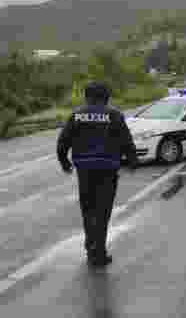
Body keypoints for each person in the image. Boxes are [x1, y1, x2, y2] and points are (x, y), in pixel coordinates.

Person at [57, 82, 136, 268]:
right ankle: (98, 252)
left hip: (84, 170)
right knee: (103, 211)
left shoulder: (76, 115)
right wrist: (132, 160)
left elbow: (63, 141)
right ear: (106, 97)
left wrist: (64, 162)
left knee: (88, 209)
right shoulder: (114, 115)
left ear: (86, 96)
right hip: (107, 169)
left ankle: (90, 242)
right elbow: (126, 140)